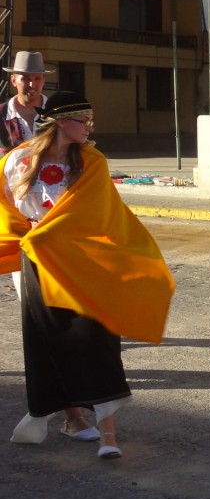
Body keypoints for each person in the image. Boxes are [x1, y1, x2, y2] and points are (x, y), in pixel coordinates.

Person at [0, 92, 175, 458]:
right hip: (39, 261)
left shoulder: (91, 161)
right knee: (50, 340)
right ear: (62, 122)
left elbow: (96, 212)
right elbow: (6, 206)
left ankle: (109, 435)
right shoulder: (17, 160)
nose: (90, 127)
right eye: (85, 120)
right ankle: (73, 419)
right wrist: (22, 235)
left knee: (98, 337)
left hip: (84, 259)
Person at [0, 51, 51, 155]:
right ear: (13, 80)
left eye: (37, 78)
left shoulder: (60, 113)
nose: (32, 84)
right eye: (25, 79)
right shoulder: (1, 113)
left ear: (43, 81)